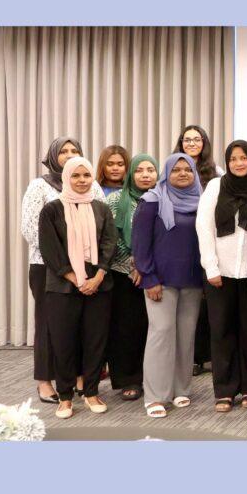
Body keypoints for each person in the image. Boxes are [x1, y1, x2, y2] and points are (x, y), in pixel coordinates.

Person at [21, 137, 105, 404]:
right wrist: (66, 260)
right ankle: (45, 381)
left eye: (75, 150)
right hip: (47, 266)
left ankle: (79, 376)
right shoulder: (39, 186)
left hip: (87, 269)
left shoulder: (93, 185)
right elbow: (32, 230)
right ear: (53, 156)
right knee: (49, 324)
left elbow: (102, 224)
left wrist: (84, 261)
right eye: (64, 151)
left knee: (80, 324)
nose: (69, 154)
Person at [38, 156, 117, 419]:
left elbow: (110, 243)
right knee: (63, 343)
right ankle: (65, 397)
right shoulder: (51, 210)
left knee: (95, 341)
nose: (82, 180)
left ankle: (91, 392)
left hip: (99, 285)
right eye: (76, 175)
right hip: (62, 285)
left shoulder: (101, 208)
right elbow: (50, 248)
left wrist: (98, 276)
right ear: (66, 177)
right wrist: (76, 278)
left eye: (86, 175)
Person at [132, 153, 204, 418]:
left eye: (188, 169)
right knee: (161, 333)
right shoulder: (151, 200)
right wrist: (148, 277)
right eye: (176, 170)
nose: (183, 173)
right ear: (166, 173)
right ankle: (155, 396)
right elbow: (140, 244)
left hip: (192, 279)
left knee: (185, 334)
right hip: (159, 281)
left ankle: (180, 388)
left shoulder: (202, 201)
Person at [196, 140, 247, 413]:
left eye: (244, 158)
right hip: (220, 272)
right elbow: (204, 227)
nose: (239, 163)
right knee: (222, 331)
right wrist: (210, 267)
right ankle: (224, 390)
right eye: (233, 159)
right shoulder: (215, 186)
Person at [105, 154, 159, 401]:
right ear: (131, 174)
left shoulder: (163, 198)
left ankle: (152, 378)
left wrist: (145, 266)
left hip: (155, 273)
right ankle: (129, 379)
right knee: (126, 329)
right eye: (139, 170)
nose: (145, 175)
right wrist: (133, 264)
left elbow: (165, 236)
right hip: (122, 274)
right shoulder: (116, 199)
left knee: (153, 328)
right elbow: (111, 236)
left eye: (150, 170)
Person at [173, 124, 220, 375]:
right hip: (182, 239)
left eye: (197, 139)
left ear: (204, 143)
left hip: (208, 240)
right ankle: (188, 358)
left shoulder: (216, 172)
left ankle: (206, 355)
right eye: (187, 139)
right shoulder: (171, 168)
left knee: (206, 301)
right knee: (186, 302)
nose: (192, 144)